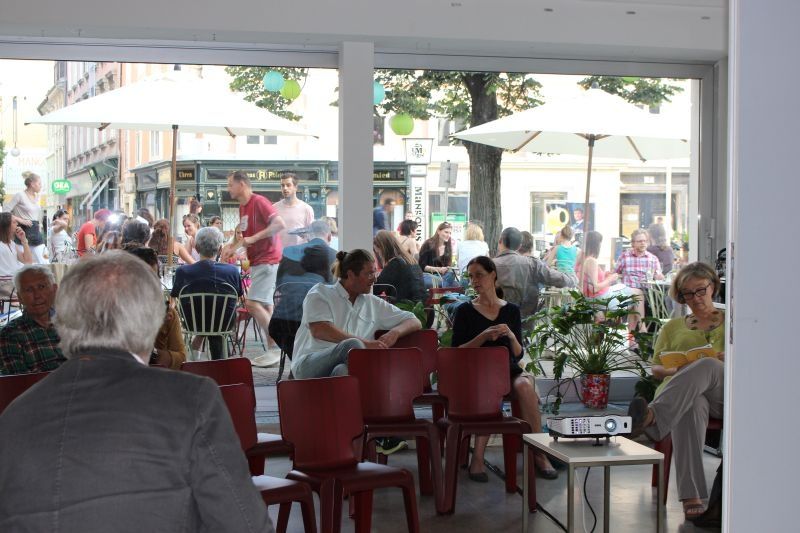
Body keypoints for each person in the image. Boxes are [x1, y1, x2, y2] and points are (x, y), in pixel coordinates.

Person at [0, 252, 273, 532]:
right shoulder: (190, 399)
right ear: (150, 321)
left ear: (65, 321)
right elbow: (244, 522)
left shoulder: (14, 416)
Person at [627, 262, 724, 521]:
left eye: (700, 290)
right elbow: (656, 367)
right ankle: (692, 497)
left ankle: (653, 418)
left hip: (725, 395)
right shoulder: (672, 327)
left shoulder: (733, 321)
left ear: (712, 287)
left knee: (708, 364)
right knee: (692, 403)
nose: (696, 298)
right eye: (688, 293)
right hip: (686, 394)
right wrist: (676, 370)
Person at [452, 256, 558, 481]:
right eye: (471, 277)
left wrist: (510, 335)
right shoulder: (465, 311)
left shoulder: (511, 311)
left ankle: (539, 452)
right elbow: (457, 351)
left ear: (493, 275)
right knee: (492, 390)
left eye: (479, 275)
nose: (474, 281)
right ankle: (477, 458)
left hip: (506, 370)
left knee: (525, 386)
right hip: (477, 374)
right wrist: (482, 337)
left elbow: (517, 354)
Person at [291, 249, 421, 379]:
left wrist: (394, 333)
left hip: (341, 368)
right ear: (351, 274)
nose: (375, 278)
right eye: (369, 274)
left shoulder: (373, 303)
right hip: (308, 365)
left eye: (375, 272)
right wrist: (366, 344)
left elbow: (414, 320)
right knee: (352, 345)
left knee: (342, 370)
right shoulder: (321, 293)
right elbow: (319, 330)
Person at [222, 170, 285, 358]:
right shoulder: (243, 207)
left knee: (252, 303)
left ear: (241, 184)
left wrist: (255, 238)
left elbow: (279, 224)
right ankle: (273, 349)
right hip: (258, 261)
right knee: (265, 306)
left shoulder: (259, 202)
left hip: (267, 259)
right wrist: (233, 248)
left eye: (230, 184)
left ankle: (278, 345)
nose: (228, 188)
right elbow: (245, 238)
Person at [172, 227, 242, 360]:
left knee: (205, 315)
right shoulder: (232, 271)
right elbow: (238, 297)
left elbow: (175, 296)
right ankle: (218, 363)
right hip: (223, 323)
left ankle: (195, 359)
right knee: (216, 315)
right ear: (220, 249)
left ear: (197, 248)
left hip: (193, 322)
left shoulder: (183, 272)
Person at [127, 246, 187, 369]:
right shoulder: (110, 313)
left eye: (154, 277)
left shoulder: (168, 314)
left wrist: (154, 354)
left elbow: (181, 358)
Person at [494, 227, 574, 317]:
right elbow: (557, 278)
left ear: (500, 241)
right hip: (526, 320)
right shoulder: (533, 264)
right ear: (519, 246)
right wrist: (573, 279)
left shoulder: (490, 265)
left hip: (497, 320)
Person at [0, 265, 65, 375]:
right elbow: (18, 381)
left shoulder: (72, 324)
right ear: (20, 297)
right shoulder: (10, 334)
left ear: (54, 289)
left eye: (42, 287)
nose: (37, 295)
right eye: (29, 290)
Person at [615, 228, 663, 334]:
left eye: (645, 241)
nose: (643, 243)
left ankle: (631, 336)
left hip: (647, 294)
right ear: (633, 243)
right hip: (627, 292)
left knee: (636, 300)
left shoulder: (653, 259)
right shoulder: (625, 256)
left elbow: (658, 275)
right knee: (637, 295)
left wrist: (659, 276)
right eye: (640, 241)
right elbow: (615, 273)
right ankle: (642, 328)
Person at [4, 171, 47, 263]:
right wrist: (20, 220)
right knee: (23, 264)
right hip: (22, 233)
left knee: (45, 261)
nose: (41, 186)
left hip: (35, 232)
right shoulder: (20, 195)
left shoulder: (37, 197)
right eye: (39, 183)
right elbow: (5, 211)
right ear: (32, 184)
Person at [373, 230, 426, 304]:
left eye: (378, 252)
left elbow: (376, 289)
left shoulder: (395, 263)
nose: (379, 255)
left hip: (406, 306)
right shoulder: (410, 260)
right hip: (421, 306)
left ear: (382, 248)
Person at [579, 231, 629, 306]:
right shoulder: (591, 261)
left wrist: (604, 274)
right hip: (598, 299)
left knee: (629, 290)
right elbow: (594, 288)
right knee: (634, 292)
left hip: (593, 297)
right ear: (597, 245)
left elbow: (589, 279)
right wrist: (610, 279)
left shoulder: (582, 258)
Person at [274, 172, 315, 247]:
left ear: (296, 187)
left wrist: (305, 235)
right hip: (279, 252)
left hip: (298, 252)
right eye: (282, 185)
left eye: (288, 185)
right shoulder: (274, 208)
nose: (285, 188)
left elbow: (312, 235)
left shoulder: (306, 209)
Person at [0, 212, 33, 300]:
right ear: (6, 226)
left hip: (14, 284)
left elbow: (28, 262)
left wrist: (24, 240)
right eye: (14, 222)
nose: (17, 224)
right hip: (5, 286)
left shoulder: (12, 244)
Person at [419, 221, 457, 288]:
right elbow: (422, 266)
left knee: (452, 275)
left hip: (443, 277)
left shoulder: (448, 246)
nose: (448, 235)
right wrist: (439, 269)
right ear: (438, 231)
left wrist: (448, 268)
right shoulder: (428, 244)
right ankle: (444, 287)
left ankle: (442, 286)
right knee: (453, 284)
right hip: (428, 276)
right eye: (446, 232)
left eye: (450, 233)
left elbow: (448, 266)